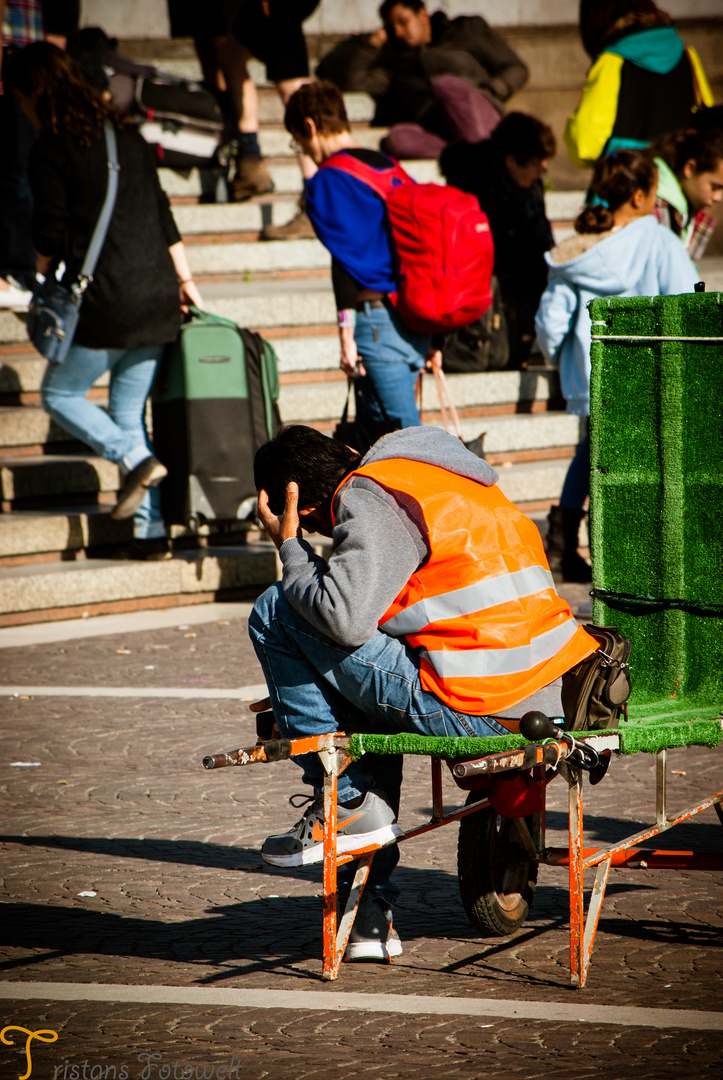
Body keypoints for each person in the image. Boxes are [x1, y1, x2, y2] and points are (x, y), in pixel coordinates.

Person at [249, 422, 599, 960]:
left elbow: (342, 618)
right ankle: (366, 916)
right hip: (540, 696)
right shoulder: (437, 473)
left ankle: (343, 809)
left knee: (276, 609)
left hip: (480, 706)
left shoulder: (368, 496)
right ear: (346, 449)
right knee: (347, 676)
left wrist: (292, 547)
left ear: (307, 506)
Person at [4, 42, 203, 559]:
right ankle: (150, 534)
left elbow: (48, 231)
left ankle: (132, 457)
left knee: (59, 395)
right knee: (127, 410)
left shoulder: (52, 146)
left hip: (108, 302)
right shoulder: (128, 134)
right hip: (157, 295)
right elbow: (163, 214)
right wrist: (186, 282)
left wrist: (41, 281)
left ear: (32, 93)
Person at [535, 149, 698, 582]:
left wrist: (562, 362)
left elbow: (551, 321)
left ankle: (563, 543)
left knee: (591, 451)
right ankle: (630, 547)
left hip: (590, 373)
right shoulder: (660, 240)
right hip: (648, 370)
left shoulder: (577, 250)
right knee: (642, 458)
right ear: (643, 196)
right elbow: (685, 299)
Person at [285, 80, 432, 434]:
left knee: (409, 443)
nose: (304, 149)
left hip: (378, 321)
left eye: (299, 142)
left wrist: (346, 334)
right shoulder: (389, 166)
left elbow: (344, 259)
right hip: (414, 315)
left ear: (310, 127)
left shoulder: (328, 180)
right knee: (384, 437)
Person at [167, 0, 319, 235]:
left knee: (294, 92)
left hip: (276, 7)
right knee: (230, 57)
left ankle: (316, 201)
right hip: (263, 8)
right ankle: (250, 156)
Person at [317, 0, 527, 160]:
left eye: (403, 21)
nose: (399, 31)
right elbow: (355, 84)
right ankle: (475, 157)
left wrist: (491, 91)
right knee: (396, 139)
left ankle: (482, 159)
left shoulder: (465, 31)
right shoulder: (396, 63)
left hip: (481, 116)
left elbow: (516, 68)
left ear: (423, 14)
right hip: (441, 131)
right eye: (392, 27)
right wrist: (372, 44)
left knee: (445, 85)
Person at [440, 112, 556, 369]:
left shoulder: (529, 188)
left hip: (522, 297)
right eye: (537, 162)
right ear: (512, 161)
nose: (544, 169)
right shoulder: (472, 190)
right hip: (491, 296)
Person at [565, 0, 713, 169]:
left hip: (626, 184)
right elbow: (707, 125)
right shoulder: (688, 56)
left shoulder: (612, 61)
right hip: (678, 183)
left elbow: (585, 144)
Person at [649, 128, 723, 262]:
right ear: (690, 168)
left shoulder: (690, 213)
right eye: (715, 187)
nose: (719, 197)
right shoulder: (656, 208)